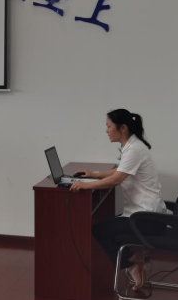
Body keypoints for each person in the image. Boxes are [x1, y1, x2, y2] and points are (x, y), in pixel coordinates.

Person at [70, 109, 168, 291]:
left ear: (122, 127)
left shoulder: (134, 149)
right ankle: (136, 259)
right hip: (148, 215)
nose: (106, 130)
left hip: (148, 220)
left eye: (109, 126)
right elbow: (120, 170)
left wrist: (86, 185)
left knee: (99, 229)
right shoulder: (132, 146)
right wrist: (94, 175)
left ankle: (132, 264)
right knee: (108, 226)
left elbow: (116, 179)